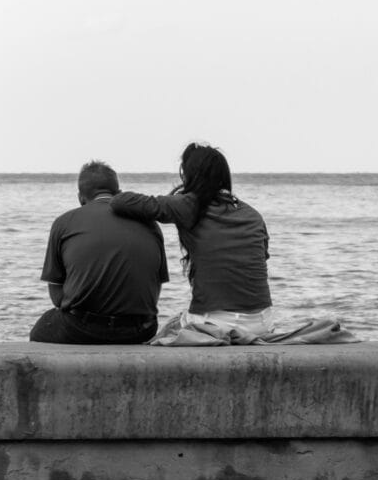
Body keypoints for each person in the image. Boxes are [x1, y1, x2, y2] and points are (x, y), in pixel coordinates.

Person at [110, 142, 273, 338]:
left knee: (166, 331)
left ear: (189, 176)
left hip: (216, 323)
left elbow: (121, 202)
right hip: (262, 323)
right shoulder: (252, 214)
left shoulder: (188, 204)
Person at [29, 160, 169, 344]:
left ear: (81, 197)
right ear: (118, 193)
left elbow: (56, 294)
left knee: (41, 329)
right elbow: (155, 286)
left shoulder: (64, 223)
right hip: (140, 329)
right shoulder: (150, 224)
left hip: (81, 328)